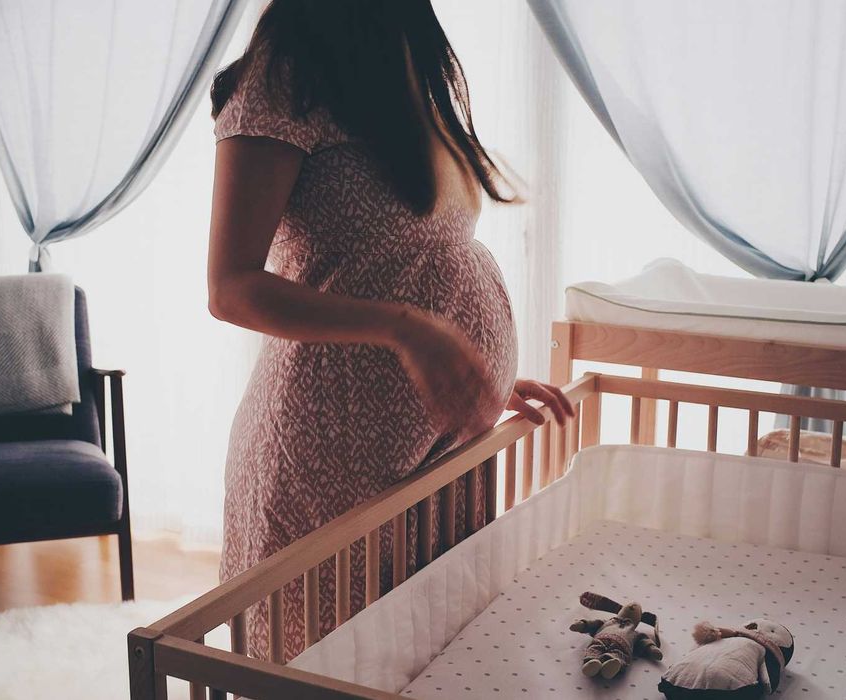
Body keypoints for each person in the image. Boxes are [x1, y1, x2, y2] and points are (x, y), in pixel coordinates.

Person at [207, 0, 573, 660]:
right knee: (329, 666)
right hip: (328, 459)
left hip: (435, 453)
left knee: (415, 658)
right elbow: (231, 287)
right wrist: (408, 331)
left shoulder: (421, 70)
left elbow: (406, 258)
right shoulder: (284, 77)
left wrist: (469, 372)